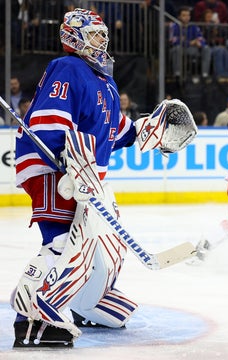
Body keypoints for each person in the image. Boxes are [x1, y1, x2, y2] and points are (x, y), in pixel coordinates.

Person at [11, 8, 195, 348]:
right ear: (74, 37)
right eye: (95, 34)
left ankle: (90, 303)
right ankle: (31, 319)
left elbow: (118, 131)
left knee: (105, 245)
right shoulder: (68, 67)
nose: (102, 40)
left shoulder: (105, 81)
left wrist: (148, 131)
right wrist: (68, 164)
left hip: (84, 174)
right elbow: (49, 121)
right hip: (54, 169)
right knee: (62, 241)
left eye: (102, 34)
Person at [168, 7, 211, 81]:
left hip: (192, 49)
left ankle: (205, 74)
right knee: (177, 49)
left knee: (206, 48)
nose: (186, 18)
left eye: (188, 15)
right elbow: (173, 40)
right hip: (178, 48)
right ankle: (177, 74)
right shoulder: (174, 26)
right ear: (179, 16)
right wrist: (190, 42)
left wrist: (199, 43)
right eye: (184, 15)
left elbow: (201, 38)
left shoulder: (194, 26)